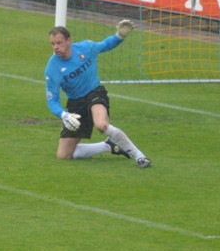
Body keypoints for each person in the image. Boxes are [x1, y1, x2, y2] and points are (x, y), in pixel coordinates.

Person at [44, 22, 152, 169]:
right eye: (52, 44)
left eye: (59, 43)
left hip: (95, 93)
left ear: (69, 41)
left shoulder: (86, 48)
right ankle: (107, 146)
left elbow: (105, 45)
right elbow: (52, 101)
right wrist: (64, 115)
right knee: (63, 156)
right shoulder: (52, 69)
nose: (55, 47)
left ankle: (140, 157)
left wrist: (120, 35)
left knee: (101, 125)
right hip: (76, 104)